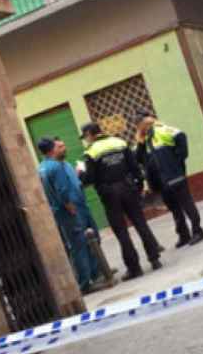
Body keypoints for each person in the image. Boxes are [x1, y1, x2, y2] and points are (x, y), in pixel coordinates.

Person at [79, 122, 162, 281]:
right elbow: (135, 167)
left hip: (109, 194)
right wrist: (138, 186)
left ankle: (134, 268)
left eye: (86, 137)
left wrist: (81, 174)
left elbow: (90, 178)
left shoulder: (91, 152)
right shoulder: (120, 142)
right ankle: (154, 258)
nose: (86, 140)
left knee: (121, 232)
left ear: (90, 134)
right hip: (128, 187)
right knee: (141, 223)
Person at [135, 111, 203, 248]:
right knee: (174, 208)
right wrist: (140, 142)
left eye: (139, 124)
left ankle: (198, 231)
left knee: (186, 204)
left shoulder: (162, 130)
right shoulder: (145, 139)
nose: (137, 128)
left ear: (145, 123)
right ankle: (183, 235)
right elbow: (139, 159)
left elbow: (181, 136)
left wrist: (177, 161)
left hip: (174, 176)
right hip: (160, 181)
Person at [37, 137, 100, 293]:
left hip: (65, 209)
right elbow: (62, 190)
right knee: (80, 245)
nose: (63, 149)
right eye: (59, 147)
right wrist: (69, 205)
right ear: (52, 149)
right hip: (70, 209)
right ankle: (86, 282)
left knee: (84, 241)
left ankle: (95, 273)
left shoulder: (42, 167)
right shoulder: (56, 167)